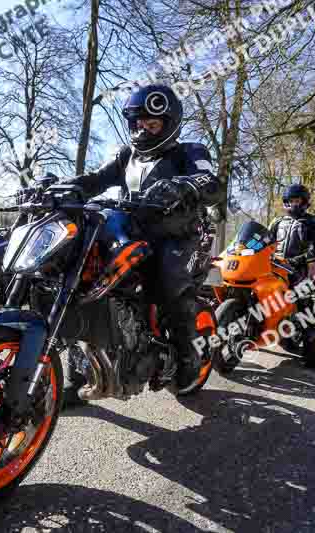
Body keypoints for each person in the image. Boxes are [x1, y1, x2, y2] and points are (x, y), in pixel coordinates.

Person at [59, 84, 223, 409]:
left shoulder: (188, 152)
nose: (143, 129)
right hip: (131, 233)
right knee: (83, 279)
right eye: (138, 122)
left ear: (170, 123)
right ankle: (77, 378)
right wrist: (64, 188)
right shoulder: (126, 156)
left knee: (167, 283)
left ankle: (188, 358)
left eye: (152, 123)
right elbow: (94, 180)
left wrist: (183, 185)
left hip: (178, 237)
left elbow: (211, 182)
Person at [268, 183, 315, 367]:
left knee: (305, 311)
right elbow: (265, 241)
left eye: (297, 200)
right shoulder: (277, 222)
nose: (294, 204)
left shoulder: (313, 222)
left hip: (299, 272)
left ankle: (310, 357)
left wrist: (298, 261)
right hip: (275, 269)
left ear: (305, 202)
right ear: (285, 201)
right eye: (291, 200)